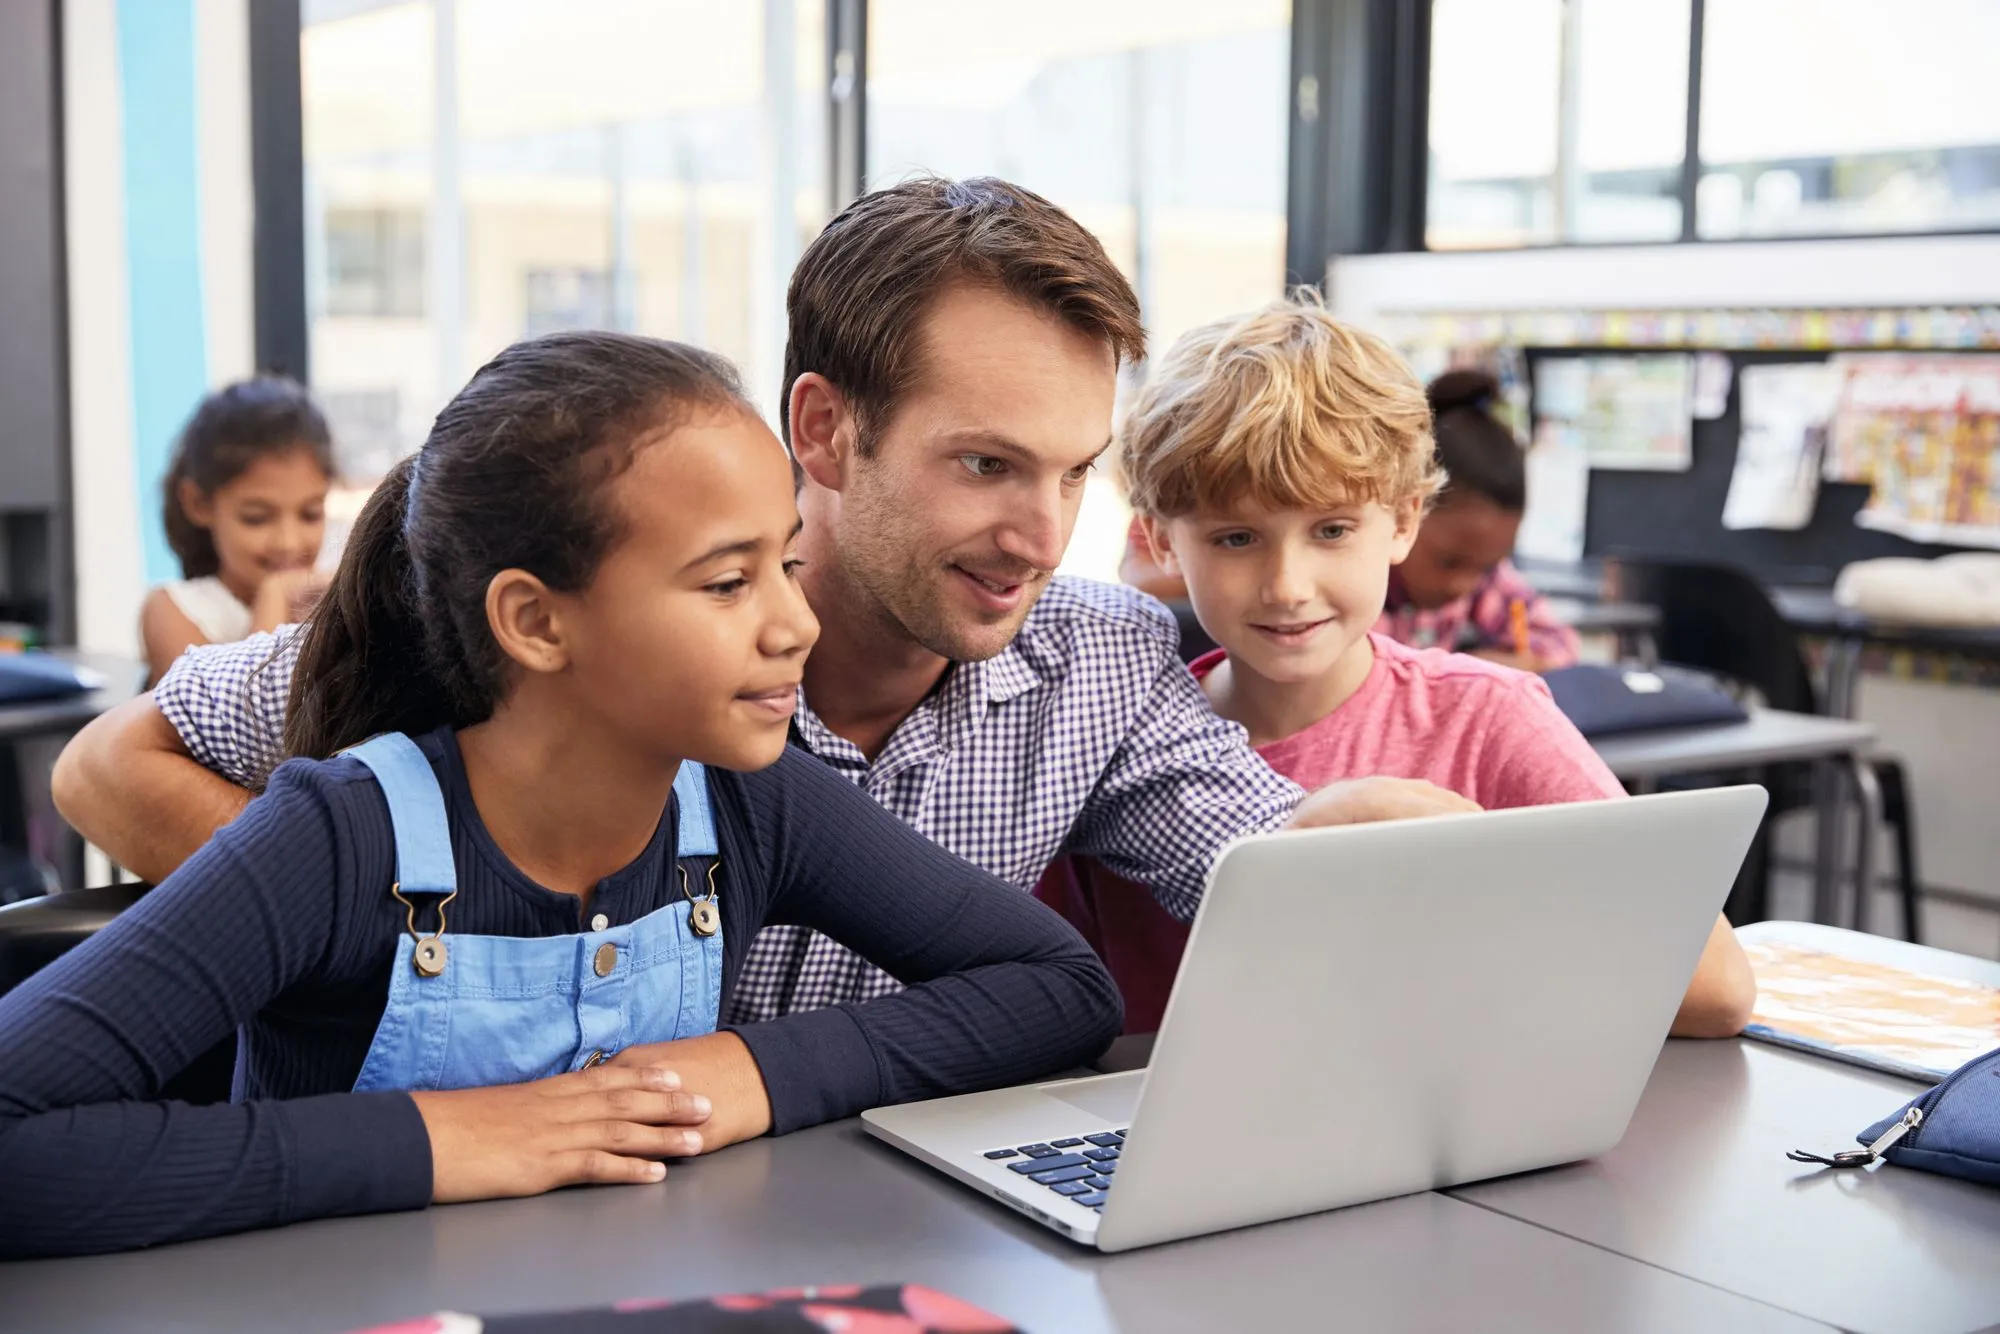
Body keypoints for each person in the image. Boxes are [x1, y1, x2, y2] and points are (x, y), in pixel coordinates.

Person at [52, 177, 1474, 1026]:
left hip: (829, 1203)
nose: (1041, 535)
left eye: (1073, 472)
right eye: (985, 463)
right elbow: (110, 762)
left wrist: (1396, 840)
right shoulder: (615, 624)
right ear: (827, 431)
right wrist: (364, 937)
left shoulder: (1101, 661)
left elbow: (1256, 852)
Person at [0, 332, 1121, 1259]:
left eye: (783, 563)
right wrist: (446, 1138)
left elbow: (1058, 987)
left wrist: (747, 1071)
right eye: (728, 582)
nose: (795, 623)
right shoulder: (338, 838)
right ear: (535, 620)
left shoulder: (752, 801)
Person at [1039, 295, 1755, 1038]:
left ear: (1405, 521)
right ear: (1160, 543)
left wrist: (1482, 890)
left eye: (1332, 530)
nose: (1288, 585)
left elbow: (1717, 990)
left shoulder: (1487, 719)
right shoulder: (1114, 738)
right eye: (1235, 540)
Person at [1377, 369, 1579, 672]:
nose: (1463, 585)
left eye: (1485, 567)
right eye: (1449, 562)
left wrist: (1494, 667)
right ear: (1402, 514)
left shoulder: (1483, 583)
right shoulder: (1358, 592)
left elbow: (1559, 642)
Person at [142, 377, 335, 684]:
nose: (289, 542)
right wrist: (274, 599)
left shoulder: (330, 601)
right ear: (198, 504)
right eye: (257, 518)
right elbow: (244, 723)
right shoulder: (174, 611)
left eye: (310, 514)